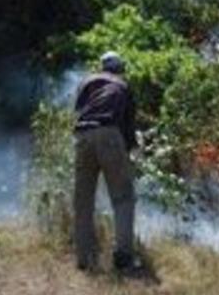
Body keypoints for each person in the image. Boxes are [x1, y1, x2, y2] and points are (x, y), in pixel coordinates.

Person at [72, 51, 140, 273]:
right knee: (123, 198)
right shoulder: (123, 85)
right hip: (110, 134)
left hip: (82, 135)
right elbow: (128, 128)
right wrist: (128, 154)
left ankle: (84, 259)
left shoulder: (87, 81)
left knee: (82, 200)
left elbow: (79, 110)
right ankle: (123, 259)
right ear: (119, 67)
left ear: (102, 66)